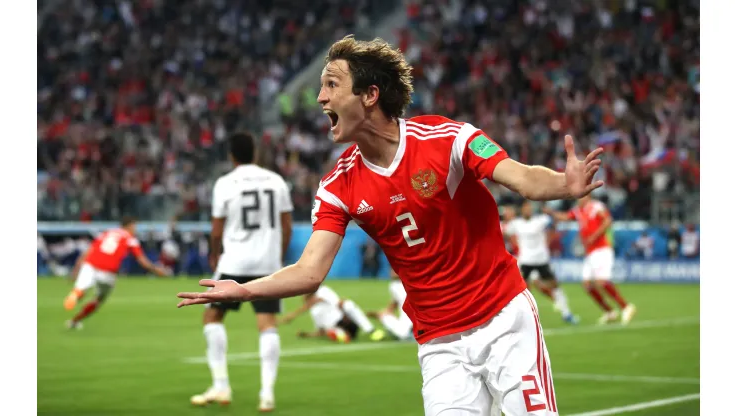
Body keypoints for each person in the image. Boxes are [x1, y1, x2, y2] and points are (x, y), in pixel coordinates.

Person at [177, 35, 605, 416]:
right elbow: (309, 272)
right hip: (439, 343)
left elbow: (523, 178)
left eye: (331, 85)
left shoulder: (448, 140)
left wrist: (565, 185)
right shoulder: (337, 186)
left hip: (503, 319)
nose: (320, 98)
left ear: (369, 95)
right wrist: (244, 288)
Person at [189, 132, 294, 412]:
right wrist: (278, 258)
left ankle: (221, 385)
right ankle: (267, 394)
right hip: (268, 263)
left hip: (234, 263)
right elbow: (287, 227)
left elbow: (216, 230)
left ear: (231, 156)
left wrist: (215, 254)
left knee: (212, 316)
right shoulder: (276, 181)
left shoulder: (225, 183)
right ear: (255, 153)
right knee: (267, 322)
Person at [63, 216, 169, 329]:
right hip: (107, 271)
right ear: (130, 225)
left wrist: (76, 268)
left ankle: (75, 295)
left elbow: (89, 251)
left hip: (90, 265)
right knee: (99, 298)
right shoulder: (130, 238)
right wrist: (156, 270)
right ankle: (74, 321)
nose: (136, 229)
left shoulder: (107, 233)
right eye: (135, 226)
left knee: (80, 289)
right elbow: (142, 260)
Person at [545, 195, 636, 325]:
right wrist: (551, 213)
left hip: (601, 250)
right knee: (587, 285)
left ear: (587, 196)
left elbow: (607, 221)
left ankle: (626, 307)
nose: (578, 198)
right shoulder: (578, 210)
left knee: (602, 282)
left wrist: (594, 236)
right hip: (590, 252)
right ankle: (609, 311)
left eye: (581, 196)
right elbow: (565, 217)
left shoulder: (596, 207)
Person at [504, 202, 578, 324]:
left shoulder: (541, 220)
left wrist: (549, 236)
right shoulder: (516, 223)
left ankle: (567, 313)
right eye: (526, 208)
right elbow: (504, 232)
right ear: (522, 210)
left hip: (541, 259)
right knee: (521, 290)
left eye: (529, 208)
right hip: (526, 260)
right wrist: (514, 243)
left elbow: (554, 224)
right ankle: (523, 317)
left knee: (554, 285)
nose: (528, 210)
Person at [277, 285, 386, 343]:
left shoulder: (323, 291)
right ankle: (341, 335)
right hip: (335, 327)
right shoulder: (315, 311)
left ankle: (370, 330)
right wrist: (307, 335)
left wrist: (292, 316)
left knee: (348, 305)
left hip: (344, 321)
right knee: (330, 331)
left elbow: (338, 302)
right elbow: (320, 332)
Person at [368, 268, 414, 340]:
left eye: (393, 270)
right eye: (391, 270)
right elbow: (395, 302)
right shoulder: (394, 286)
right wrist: (386, 312)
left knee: (404, 334)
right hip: (406, 319)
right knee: (385, 316)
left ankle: (409, 332)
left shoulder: (410, 282)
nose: (391, 272)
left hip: (415, 318)